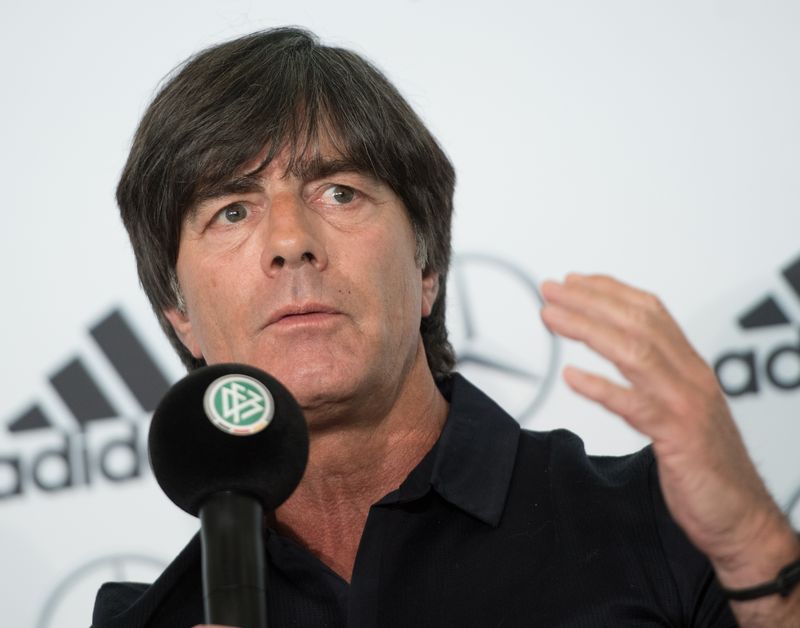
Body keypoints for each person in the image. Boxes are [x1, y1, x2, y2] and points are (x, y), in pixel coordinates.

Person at [92, 27, 799, 627]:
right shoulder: (150, 617)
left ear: (428, 266)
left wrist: (750, 548)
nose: (290, 240)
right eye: (233, 211)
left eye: (339, 191)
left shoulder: (657, 520)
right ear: (177, 312)